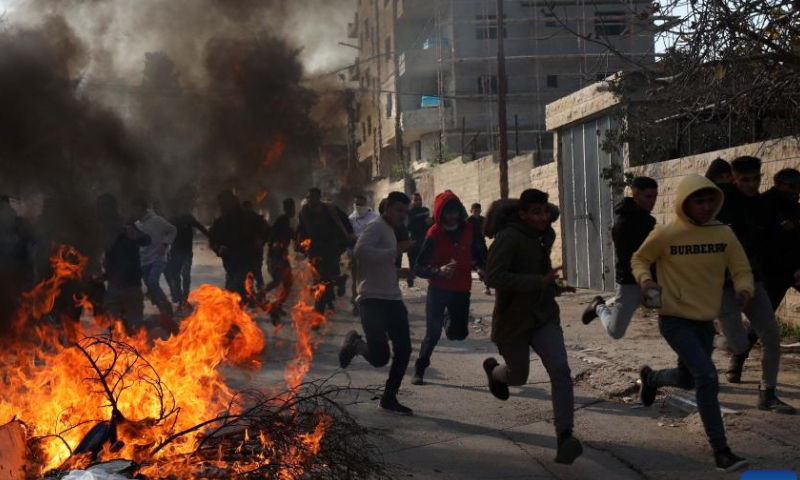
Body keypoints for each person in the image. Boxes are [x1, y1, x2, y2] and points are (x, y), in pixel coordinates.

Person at [632, 174, 753, 472]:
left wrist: (744, 289)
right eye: (699, 201)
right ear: (684, 203)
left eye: (710, 200)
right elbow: (639, 259)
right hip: (674, 320)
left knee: (687, 379)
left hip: (704, 323)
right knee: (707, 376)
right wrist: (646, 281)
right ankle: (721, 451)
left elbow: (741, 269)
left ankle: (651, 378)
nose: (706, 206)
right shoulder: (666, 233)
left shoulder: (724, 233)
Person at [481, 189, 583, 466]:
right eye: (536, 212)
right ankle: (495, 372)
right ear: (523, 214)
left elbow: (542, 273)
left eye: (545, 211)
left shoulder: (544, 235)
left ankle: (565, 436)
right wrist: (539, 281)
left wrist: (556, 286)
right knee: (517, 376)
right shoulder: (509, 237)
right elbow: (494, 277)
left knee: (560, 369)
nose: (542, 217)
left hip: (543, 315)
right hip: (513, 320)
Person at [715, 157, 795, 414]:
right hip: (724, 284)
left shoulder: (762, 207)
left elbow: (773, 244)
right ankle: (709, 338)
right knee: (738, 344)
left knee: (771, 336)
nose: (751, 184)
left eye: (756, 179)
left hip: (753, 279)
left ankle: (767, 394)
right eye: (745, 179)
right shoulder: (718, 204)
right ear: (733, 178)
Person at [338, 192, 415, 415]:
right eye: (399, 210)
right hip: (372, 300)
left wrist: (398, 272)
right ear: (387, 208)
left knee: (404, 349)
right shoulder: (376, 226)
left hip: (392, 299)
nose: (402, 215)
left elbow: (380, 263)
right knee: (380, 358)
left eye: (405, 211)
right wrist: (396, 250)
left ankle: (389, 398)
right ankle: (355, 343)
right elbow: (361, 252)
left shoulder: (390, 230)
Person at [411, 191, 485, 385]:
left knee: (457, 334)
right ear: (440, 213)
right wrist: (438, 270)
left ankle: (446, 318)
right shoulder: (434, 233)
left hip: (461, 287)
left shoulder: (469, 230)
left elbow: (477, 253)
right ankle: (420, 369)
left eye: (455, 212)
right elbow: (418, 267)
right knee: (433, 334)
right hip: (438, 288)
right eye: (448, 212)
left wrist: (480, 268)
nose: (452, 216)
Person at [582, 177, 658, 339]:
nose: (652, 201)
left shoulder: (650, 221)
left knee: (672, 319)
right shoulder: (623, 224)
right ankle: (598, 307)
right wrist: (644, 281)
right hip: (630, 283)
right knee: (615, 331)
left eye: (654, 196)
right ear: (635, 195)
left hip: (651, 281)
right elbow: (627, 259)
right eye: (648, 196)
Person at [97, 194, 151, 335]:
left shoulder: (126, 225)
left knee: (134, 330)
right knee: (115, 328)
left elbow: (146, 239)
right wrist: (105, 275)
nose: (101, 211)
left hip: (130, 285)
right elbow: (111, 257)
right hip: (114, 285)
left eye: (103, 207)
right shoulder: (104, 229)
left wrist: (135, 236)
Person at [297, 188, 355, 314]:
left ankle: (319, 309)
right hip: (315, 249)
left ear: (319, 197)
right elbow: (302, 229)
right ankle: (339, 281)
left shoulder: (330, 209)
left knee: (323, 279)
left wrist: (350, 234)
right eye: (308, 197)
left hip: (331, 248)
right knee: (319, 279)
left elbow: (344, 220)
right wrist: (301, 245)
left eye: (313, 197)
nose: (310, 200)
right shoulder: (305, 212)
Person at [132, 198, 178, 335]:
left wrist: (165, 244)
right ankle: (163, 310)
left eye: (137, 209)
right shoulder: (136, 224)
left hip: (158, 258)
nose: (135, 212)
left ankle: (166, 307)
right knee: (150, 287)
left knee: (153, 282)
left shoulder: (157, 220)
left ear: (143, 208)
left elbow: (173, 230)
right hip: (144, 260)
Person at [761, 168, 800, 312]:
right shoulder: (765, 203)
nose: (797, 191)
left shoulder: (792, 205)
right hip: (773, 269)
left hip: (793, 265)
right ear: (779, 185)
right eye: (793, 186)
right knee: (765, 314)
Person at [209, 190, 258, 300]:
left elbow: (263, 231)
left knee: (236, 290)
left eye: (222, 203)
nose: (220, 207)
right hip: (230, 264)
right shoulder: (220, 222)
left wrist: (258, 241)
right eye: (220, 204)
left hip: (245, 261)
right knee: (233, 292)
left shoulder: (247, 218)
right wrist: (218, 248)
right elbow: (213, 240)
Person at [166, 209, 209, 310]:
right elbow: (164, 232)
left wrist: (212, 237)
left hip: (186, 253)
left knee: (185, 274)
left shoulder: (188, 218)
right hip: (175, 252)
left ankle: (185, 298)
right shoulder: (172, 219)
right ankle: (180, 299)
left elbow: (200, 227)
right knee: (175, 276)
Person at [348, 194, 379, 316]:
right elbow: (349, 236)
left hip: (371, 254)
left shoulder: (374, 217)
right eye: (357, 204)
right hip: (356, 254)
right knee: (356, 280)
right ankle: (356, 305)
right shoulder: (351, 219)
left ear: (366, 204)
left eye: (362, 204)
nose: (359, 207)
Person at [266, 198, 296, 316]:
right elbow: (274, 237)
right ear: (289, 209)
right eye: (292, 208)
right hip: (277, 256)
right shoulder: (282, 220)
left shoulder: (285, 220)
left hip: (280, 255)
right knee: (281, 281)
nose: (294, 211)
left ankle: (277, 304)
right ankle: (262, 296)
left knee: (283, 282)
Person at [241, 200, 271, 295]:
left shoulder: (255, 219)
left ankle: (257, 294)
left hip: (251, 253)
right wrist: (262, 241)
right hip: (250, 252)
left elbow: (267, 232)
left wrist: (261, 241)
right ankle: (256, 294)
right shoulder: (254, 219)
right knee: (254, 274)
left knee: (254, 274)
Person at [406, 193, 433, 287]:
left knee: (427, 261)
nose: (418, 201)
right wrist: (424, 223)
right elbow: (409, 227)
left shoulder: (425, 210)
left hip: (425, 240)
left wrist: (430, 222)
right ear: (411, 202)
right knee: (412, 264)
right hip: (414, 241)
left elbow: (429, 225)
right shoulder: (409, 213)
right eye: (415, 200)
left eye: (419, 199)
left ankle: (431, 281)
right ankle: (410, 281)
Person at [468, 202, 491, 295]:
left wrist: (486, 233)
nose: (476, 212)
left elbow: (488, 231)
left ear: (480, 211)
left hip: (482, 245)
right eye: (475, 211)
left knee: (485, 264)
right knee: (477, 266)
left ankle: (487, 286)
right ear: (471, 211)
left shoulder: (483, 220)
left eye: (478, 211)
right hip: (472, 247)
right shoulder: (468, 221)